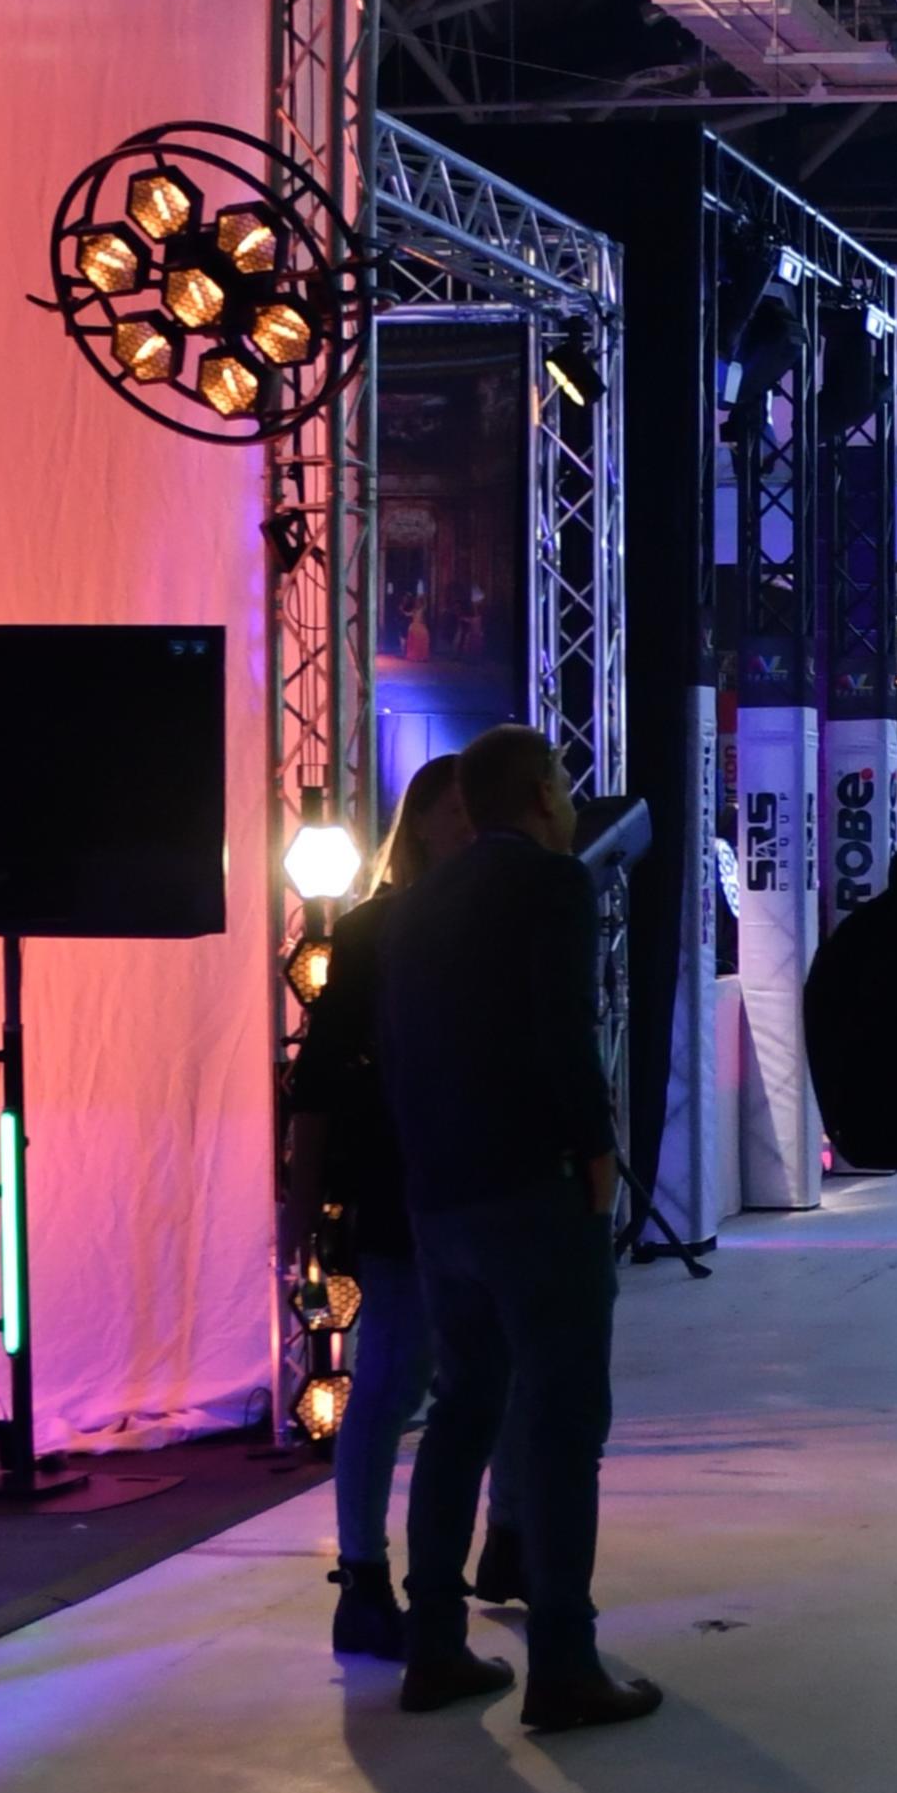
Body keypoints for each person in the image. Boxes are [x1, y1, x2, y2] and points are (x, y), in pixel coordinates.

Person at [376, 722, 658, 1734]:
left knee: (461, 1415)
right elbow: (563, 1030)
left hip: (441, 1194)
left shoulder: (414, 903)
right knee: (562, 1425)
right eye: (564, 787)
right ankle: (565, 1663)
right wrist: (598, 1157)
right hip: (535, 1191)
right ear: (541, 792)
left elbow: (399, 1053)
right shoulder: (552, 885)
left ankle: (433, 1644)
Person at [281, 754, 474, 1662]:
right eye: (459, 809)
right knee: (397, 1376)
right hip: (404, 1180)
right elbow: (319, 1076)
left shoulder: (442, 923)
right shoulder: (376, 930)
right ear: (425, 821)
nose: (473, 826)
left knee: (447, 1379)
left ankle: (403, 1578)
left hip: (456, 1177)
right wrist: (304, 1197)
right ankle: (367, 1577)